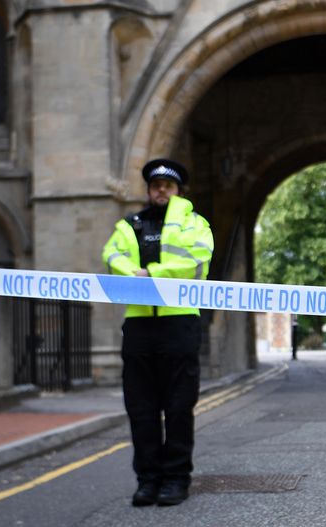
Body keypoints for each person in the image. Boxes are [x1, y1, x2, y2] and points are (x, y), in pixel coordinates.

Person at [102, 158, 214, 507]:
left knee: (179, 406)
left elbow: (197, 263)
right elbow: (111, 256)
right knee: (141, 408)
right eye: (155, 185)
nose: (161, 190)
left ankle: (176, 479)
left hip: (178, 324)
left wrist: (153, 273)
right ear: (148, 189)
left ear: (179, 189)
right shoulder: (129, 225)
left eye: (168, 185)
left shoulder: (195, 224)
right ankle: (148, 479)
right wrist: (130, 272)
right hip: (138, 326)